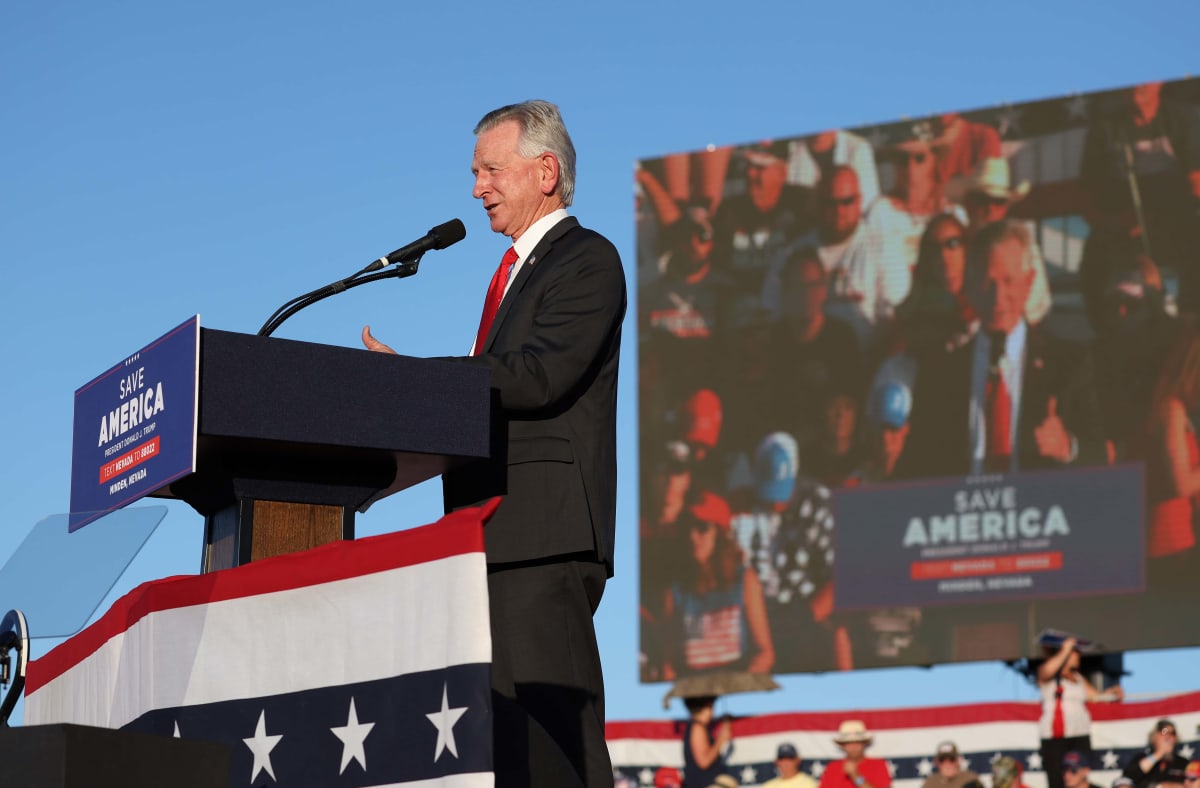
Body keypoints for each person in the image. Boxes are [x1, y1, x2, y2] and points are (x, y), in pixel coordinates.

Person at [362, 100, 626, 787]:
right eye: (475, 171)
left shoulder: (587, 259)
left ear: (545, 171)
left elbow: (539, 377)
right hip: (486, 536)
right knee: (509, 757)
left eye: (489, 169)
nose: (477, 187)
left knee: (558, 751)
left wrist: (422, 382)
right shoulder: (513, 272)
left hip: (542, 537)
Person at [902, 219, 1104, 478]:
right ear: (971, 286)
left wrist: (1068, 447)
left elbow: (1100, 456)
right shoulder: (940, 373)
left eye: (1009, 281)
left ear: (1028, 282)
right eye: (989, 282)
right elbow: (915, 467)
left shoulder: (1068, 364)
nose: (998, 297)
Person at [662, 491, 775, 678]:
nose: (693, 536)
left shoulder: (745, 581)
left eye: (702, 527)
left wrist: (744, 684)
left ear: (720, 534)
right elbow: (669, 663)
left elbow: (765, 653)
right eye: (687, 528)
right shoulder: (675, 591)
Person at [1036, 638, 1123, 788]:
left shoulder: (1078, 678)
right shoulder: (1048, 675)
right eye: (1075, 653)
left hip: (1079, 734)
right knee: (1058, 779)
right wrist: (1066, 648)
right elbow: (1047, 671)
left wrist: (1112, 694)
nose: (1078, 657)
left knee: (1079, 774)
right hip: (1055, 737)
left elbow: (1095, 697)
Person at [819, 720, 892, 788]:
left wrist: (856, 776)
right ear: (843, 746)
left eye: (857, 742)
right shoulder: (832, 768)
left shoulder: (878, 765)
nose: (853, 747)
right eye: (848, 743)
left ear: (864, 743)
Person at [1123, 718, 1191, 788]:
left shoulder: (1183, 763)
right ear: (1154, 736)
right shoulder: (1141, 759)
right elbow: (1128, 777)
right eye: (1164, 731)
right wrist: (1159, 753)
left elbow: (1194, 784)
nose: (1169, 736)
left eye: (1172, 733)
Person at [681, 696, 731, 788]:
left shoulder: (696, 727)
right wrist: (721, 739)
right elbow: (704, 762)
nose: (713, 712)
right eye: (711, 707)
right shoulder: (698, 727)